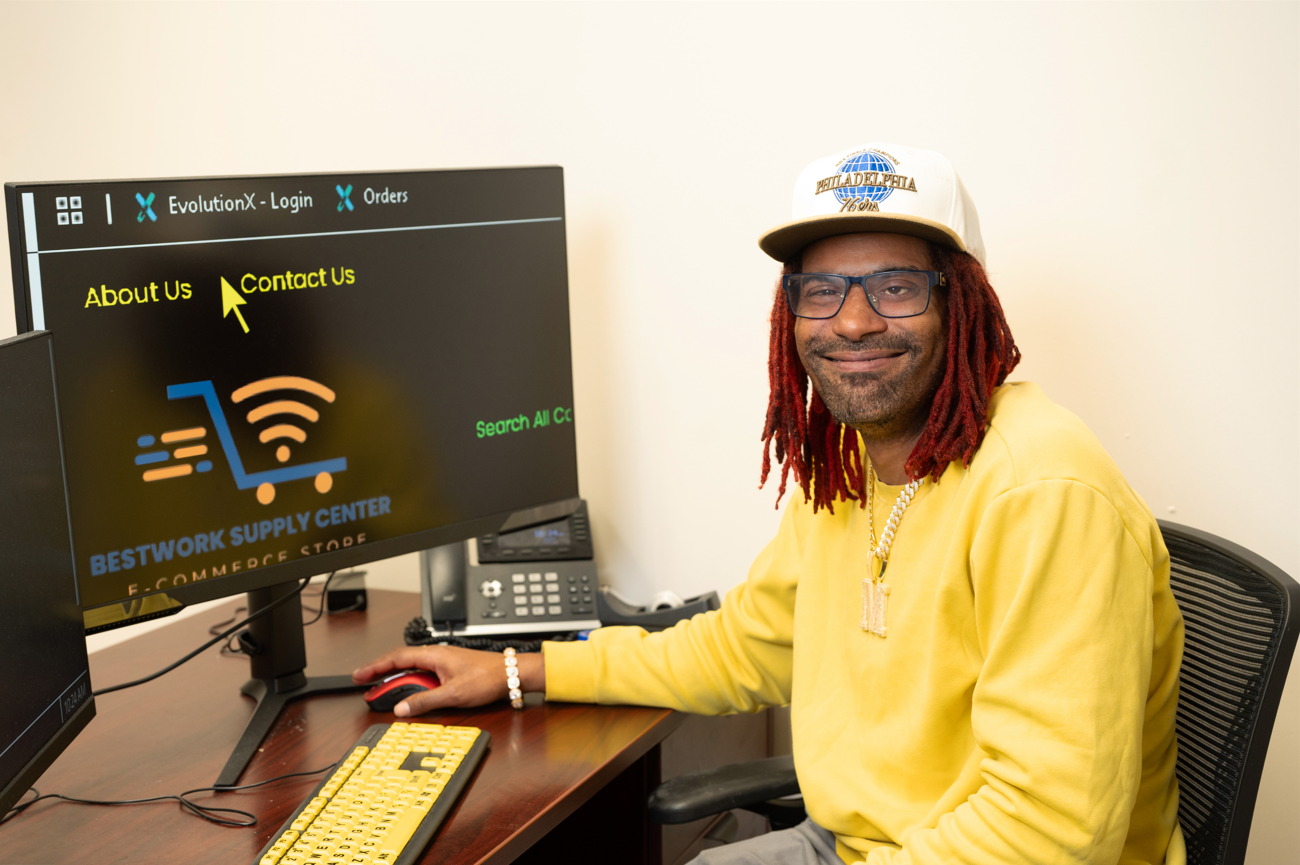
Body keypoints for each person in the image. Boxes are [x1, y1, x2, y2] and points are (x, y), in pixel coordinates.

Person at [354, 144, 1185, 865]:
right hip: (864, 843)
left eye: (896, 286)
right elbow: (746, 645)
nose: (853, 321)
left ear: (961, 299)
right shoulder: (853, 468)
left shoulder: (1044, 491)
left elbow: (1048, 834)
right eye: (821, 290)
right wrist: (518, 671)